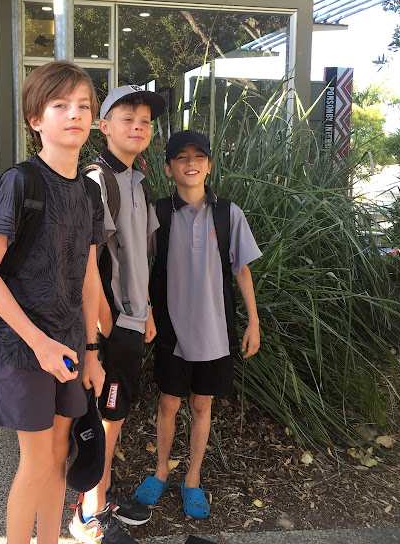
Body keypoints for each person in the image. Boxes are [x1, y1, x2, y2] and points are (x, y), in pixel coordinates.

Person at [0, 60, 106, 544]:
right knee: (34, 463)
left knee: (58, 455)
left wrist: (92, 352)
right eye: (60, 105)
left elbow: (88, 275)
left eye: (84, 105)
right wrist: (40, 344)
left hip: (70, 345)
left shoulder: (89, 191)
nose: (75, 114)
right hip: (23, 347)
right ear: (35, 119)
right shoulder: (21, 182)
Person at [133, 130, 262, 519]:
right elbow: (139, 265)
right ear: (168, 168)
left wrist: (253, 321)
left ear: (209, 165)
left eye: (199, 157)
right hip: (171, 327)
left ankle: (192, 478)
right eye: (181, 157)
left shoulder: (228, 214)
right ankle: (161, 471)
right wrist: (146, 311)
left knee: (202, 403)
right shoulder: (158, 213)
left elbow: (241, 269)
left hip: (215, 330)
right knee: (168, 402)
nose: (191, 163)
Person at [73, 85, 166, 544]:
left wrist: (145, 311)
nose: (138, 127)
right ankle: (89, 514)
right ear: (104, 126)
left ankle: (104, 493)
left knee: (117, 414)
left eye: (145, 121)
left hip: (132, 319)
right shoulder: (96, 181)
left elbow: (137, 256)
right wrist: (102, 328)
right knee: (105, 417)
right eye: (127, 119)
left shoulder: (137, 180)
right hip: (109, 325)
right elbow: (86, 264)